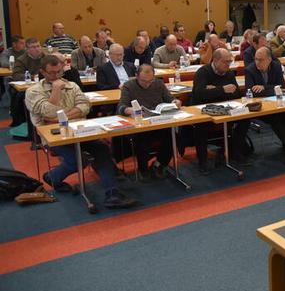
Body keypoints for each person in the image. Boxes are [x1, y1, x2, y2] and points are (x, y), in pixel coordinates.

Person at [26, 55, 137, 208]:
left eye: (59, 72)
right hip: (52, 135)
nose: (56, 76)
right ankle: (52, 177)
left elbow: (85, 106)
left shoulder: (72, 85)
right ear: (42, 72)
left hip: (80, 130)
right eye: (51, 73)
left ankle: (112, 194)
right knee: (77, 160)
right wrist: (56, 91)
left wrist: (61, 117)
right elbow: (47, 113)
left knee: (102, 150)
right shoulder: (33, 91)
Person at [244, 47, 285, 165]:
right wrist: (273, 88)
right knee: (276, 120)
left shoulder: (276, 66)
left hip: (276, 103)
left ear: (269, 59)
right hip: (260, 107)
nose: (257, 62)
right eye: (256, 59)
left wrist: (264, 88)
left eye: (260, 60)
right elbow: (250, 92)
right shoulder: (250, 69)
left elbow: (282, 87)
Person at [191, 48, 251, 173]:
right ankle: (203, 161)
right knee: (201, 126)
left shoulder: (228, 73)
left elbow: (236, 93)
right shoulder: (203, 72)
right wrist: (222, 90)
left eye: (230, 62)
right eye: (225, 62)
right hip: (204, 109)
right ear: (216, 60)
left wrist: (213, 90)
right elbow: (199, 94)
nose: (228, 65)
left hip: (226, 108)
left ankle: (235, 151)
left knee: (245, 119)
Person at [117, 64, 181, 180]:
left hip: (158, 121)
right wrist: (130, 110)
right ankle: (143, 169)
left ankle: (159, 164)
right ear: (136, 76)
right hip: (140, 124)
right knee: (142, 138)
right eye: (143, 81)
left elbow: (170, 98)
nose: (147, 84)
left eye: (150, 81)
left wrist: (175, 101)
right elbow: (121, 107)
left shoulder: (159, 84)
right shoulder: (128, 86)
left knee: (173, 135)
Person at [10, 38, 44, 127]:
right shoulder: (21, 60)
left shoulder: (46, 57)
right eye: (33, 47)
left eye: (38, 46)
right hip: (28, 86)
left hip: (44, 84)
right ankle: (22, 122)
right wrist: (32, 77)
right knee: (20, 96)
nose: (37, 49)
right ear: (28, 49)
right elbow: (16, 75)